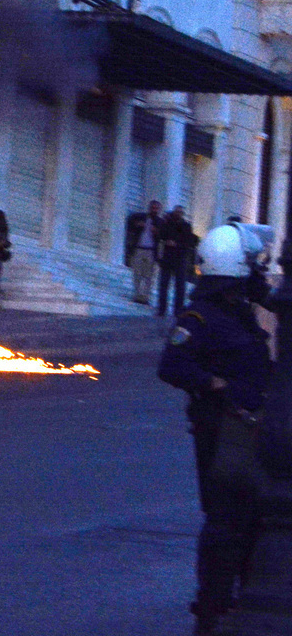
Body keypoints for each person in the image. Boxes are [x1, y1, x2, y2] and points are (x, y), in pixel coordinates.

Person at [157, 222, 275, 635]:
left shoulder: (239, 313)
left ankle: (238, 596)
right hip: (220, 431)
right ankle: (210, 607)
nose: (258, 274)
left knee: (254, 517)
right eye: (252, 267)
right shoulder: (200, 317)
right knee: (225, 520)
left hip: (247, 430)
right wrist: (215, 384)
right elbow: (172, 366)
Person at [157, 205, 199, 317]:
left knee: (179, 287)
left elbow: (189, 242)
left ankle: (178, 310)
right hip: (168, 259)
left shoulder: (185, 226)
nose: (178, 214)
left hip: (180, 259)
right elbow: (161, 235)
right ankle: (162, 309)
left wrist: (177, 244)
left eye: (180, 213)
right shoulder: (167, 223)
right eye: (176, 212)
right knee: (163, 285)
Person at [125, 200, 163, 305]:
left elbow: (163, 236)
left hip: (151, 251)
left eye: (156, 208)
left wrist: (156, 232)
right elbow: (130, 225)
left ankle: (145, 297)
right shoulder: (141, 217)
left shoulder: (160, 222)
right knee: (137, 273)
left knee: (149, 276)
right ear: (149, 208)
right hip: (139, 249)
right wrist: (138, 225)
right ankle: (137, 294)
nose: (154, 210)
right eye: (152, 208)